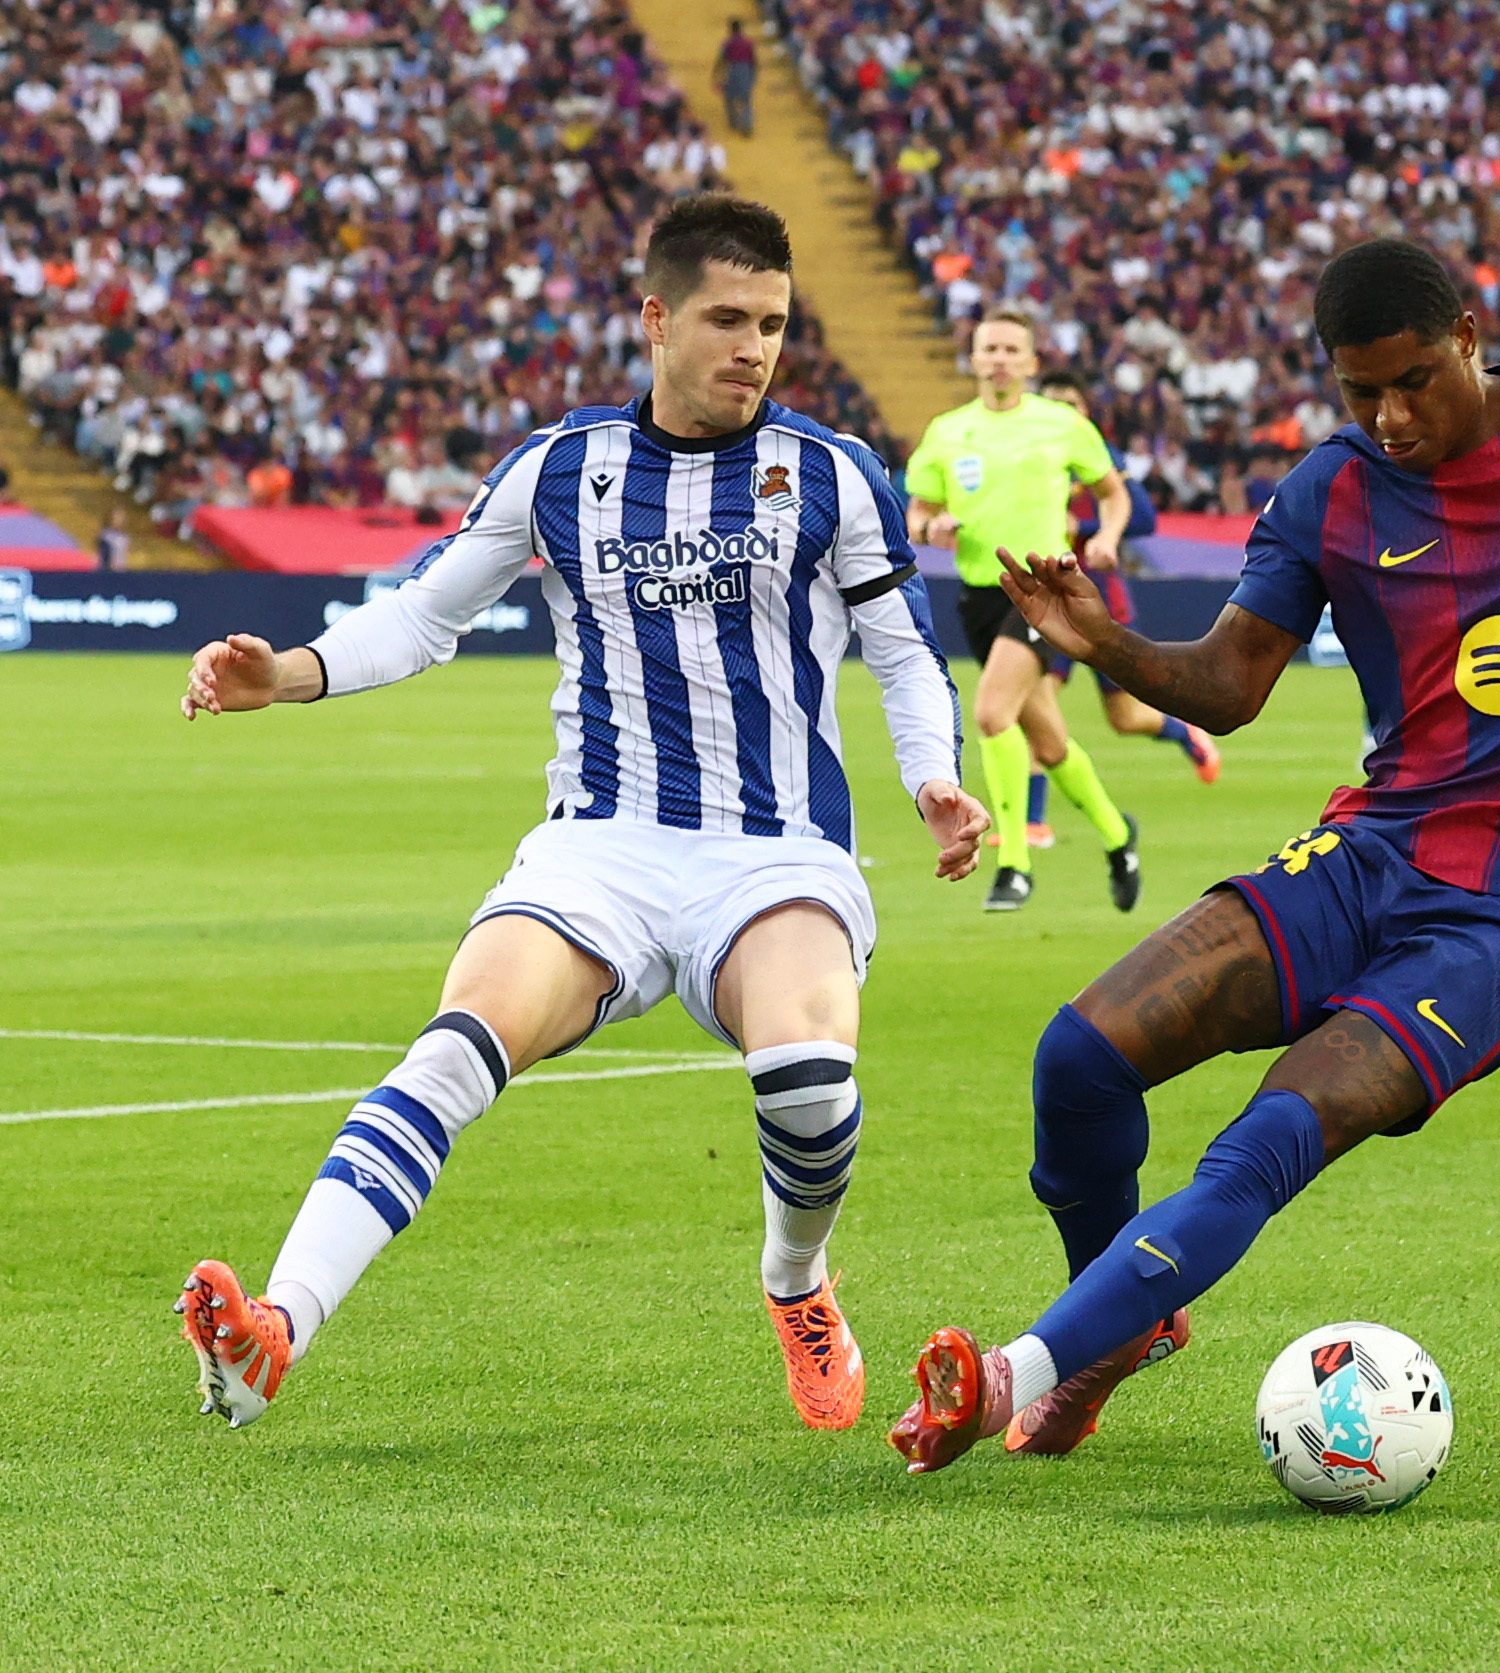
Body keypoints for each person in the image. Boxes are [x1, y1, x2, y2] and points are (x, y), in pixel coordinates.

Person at [882, 237, 1500, 1475]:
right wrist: (1105, 640)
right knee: (1077, 1058)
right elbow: (1229, 685)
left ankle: (1022, 1369)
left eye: (1412, 382)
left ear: (1467, 335)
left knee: (1263, 1141)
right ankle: (1121, 1321)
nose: (1389, 417)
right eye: (1360, 391)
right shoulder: (1331, 491)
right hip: (1373, 851)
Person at [171, 195, 986, 1433]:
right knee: (455, 1044)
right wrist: (282, 673)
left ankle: (796, 1279)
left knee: (810, 1074)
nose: (754, 349)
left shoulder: (831, 473)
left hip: (773, 852)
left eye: (772, 324)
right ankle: (274, 1328)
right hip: (599, 848)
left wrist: (932, 775)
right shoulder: (561, 467)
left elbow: (905, 649)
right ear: (657, 318)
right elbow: (422, 613)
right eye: (727, 319)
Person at [904, 308, 1141, 913]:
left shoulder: (1062, 424)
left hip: (1042, 590)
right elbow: (919, 512)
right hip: (980, 597)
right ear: (974, 359)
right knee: (1050, 743)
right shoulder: (948, 432)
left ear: (1032, 362)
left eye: (1013, 349)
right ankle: (1119, 837)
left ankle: (1013, 864)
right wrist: (933, 527)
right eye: (991, 348)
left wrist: (1108, 536)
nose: (1001, 359)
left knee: (991, 714)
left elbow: (1113, 494)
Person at [1025, 368, 1223, 837]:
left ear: (1084, 411)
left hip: (1100, 603)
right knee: (1033, 702)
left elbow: (1145, 517)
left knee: (1126, 717)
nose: (1062, 415)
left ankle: (1184, 731)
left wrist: (1087, 530)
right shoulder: (1029, 454)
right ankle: (1033, 821)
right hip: (1048, 602)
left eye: (1070, 406)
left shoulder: (1101, 456)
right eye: (1052, 406)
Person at [717, 19, 757, 138]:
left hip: (732, 69)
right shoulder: (748, 42)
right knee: (746, 99)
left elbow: (722, 59)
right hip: (746, 70)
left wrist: (718, 74)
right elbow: (753, 59)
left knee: (729, 98)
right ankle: (747, 124)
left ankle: (733, 122)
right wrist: (753, 74)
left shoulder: (727, 43)